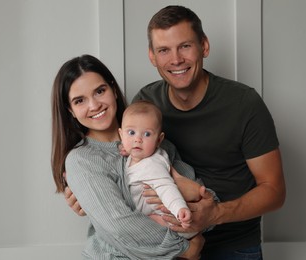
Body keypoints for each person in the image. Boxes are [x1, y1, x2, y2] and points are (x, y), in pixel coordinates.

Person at [65, 5, 286, 260]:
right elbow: (122, 188)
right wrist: (87, 197)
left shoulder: (243, 104)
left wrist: (213, 212)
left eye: (185, 46)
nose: (176, 59)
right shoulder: (147, 103)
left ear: (204, 46)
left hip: (232, 244)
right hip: (173, 246)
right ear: (152, 56)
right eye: (163, 50)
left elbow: (274, 191)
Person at [51, 54, 205, 259]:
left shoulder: (156, 142)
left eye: (100, 91)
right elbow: (119, 226)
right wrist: (185, 249)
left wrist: (192, 190)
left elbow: (207, 206)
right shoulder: (81, 160)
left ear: (113, 90)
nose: (94, 105)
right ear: (70, 110)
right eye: (80, 100)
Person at [118, 100, 197, 238]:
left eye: (147, 134)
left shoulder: (152, 165)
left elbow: (166, 188)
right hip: (148, 214)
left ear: (159, 140)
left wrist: (180, 209)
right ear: (121, 135)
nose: (137, 139)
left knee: (148, 225)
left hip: (170, 219)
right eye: (131, 132)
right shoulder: (135, 155)